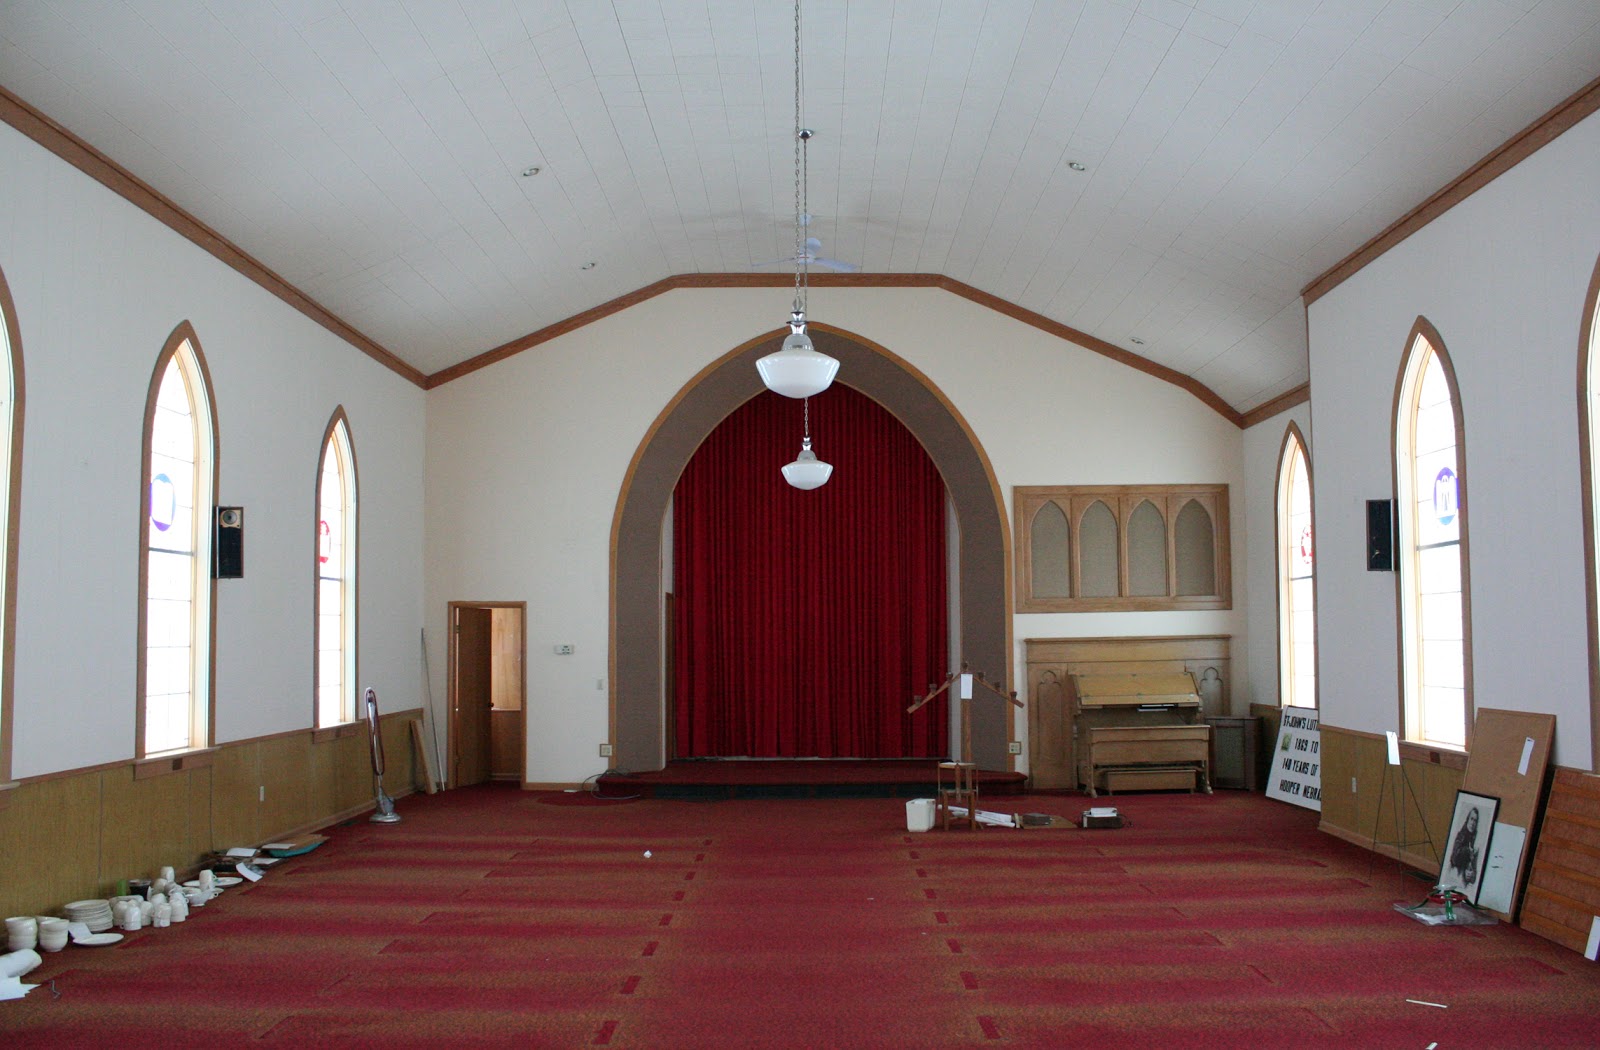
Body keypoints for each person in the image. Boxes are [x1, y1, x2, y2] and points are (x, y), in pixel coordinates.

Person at [1449, 806, 1480, 888]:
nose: (1473, 823)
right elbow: (1454, 859)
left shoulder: (1475, 837)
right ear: (1467, 819)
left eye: (1475, 821)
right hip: (1456, 876)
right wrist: (1467, 851)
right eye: (1471, 819)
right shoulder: (1461, 835)